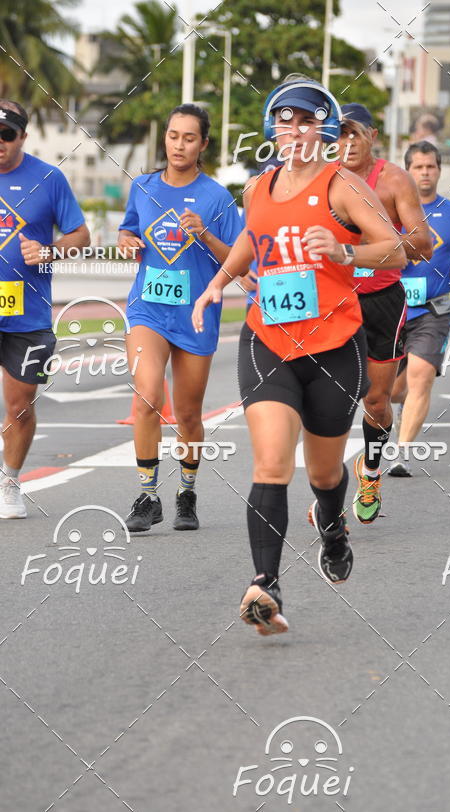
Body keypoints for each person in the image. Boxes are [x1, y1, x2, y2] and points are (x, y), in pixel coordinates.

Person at [192, 77, 406, 636]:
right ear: (273, 129)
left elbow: (396, 248)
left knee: (325, 471)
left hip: (334, 347)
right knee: (270, 464)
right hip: (268, 340)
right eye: (284, 121)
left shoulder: (343, 185)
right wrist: (217, 283)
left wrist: (345, 251)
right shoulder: (258, 186)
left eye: (306, 121)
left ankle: (332, 528)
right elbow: (251, 239)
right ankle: (265, 585)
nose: (294, 131)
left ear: (323, 130)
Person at [118, 104, 241, 532]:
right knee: (147, 397)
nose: (179, 145)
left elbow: (237, 262)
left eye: (189, 138)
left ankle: (186, 492)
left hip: (195, 315)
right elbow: (128, 228)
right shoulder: (143, 186)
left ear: (203, 144)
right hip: (147, 309)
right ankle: (147, 496)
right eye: (173, 136)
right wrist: (126, 239)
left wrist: (204, 233)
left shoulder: (217, 197)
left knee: (188, 415)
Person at [336, 103, 432, 521]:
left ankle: (371, 469)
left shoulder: (393, 180)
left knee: (377, 400)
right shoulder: (321, 181)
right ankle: (328, 492)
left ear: (372, 136)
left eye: (355, 133)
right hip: (334, 301)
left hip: (381, 301)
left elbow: (424, 245)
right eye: (340, 134)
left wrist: (374, 246)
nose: (348, 142)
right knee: (329, 399)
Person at [0, 99, 89, 518]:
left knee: (20, 405)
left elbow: (81, 235)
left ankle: (10, 482)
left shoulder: (48, 179)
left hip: (27, 314)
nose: (0, 143)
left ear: (23, 137)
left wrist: (49, 251)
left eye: (7, 135)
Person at [389, 140, 450, 476]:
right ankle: (402, 407)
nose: (425, 173)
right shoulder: (389, 210)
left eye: (430, 167)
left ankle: (402, 452)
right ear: (407, 170)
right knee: (392, 390)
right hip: (393, 309)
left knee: (421, 377)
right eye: (418, 167)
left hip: (433, 310)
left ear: (439, 170)